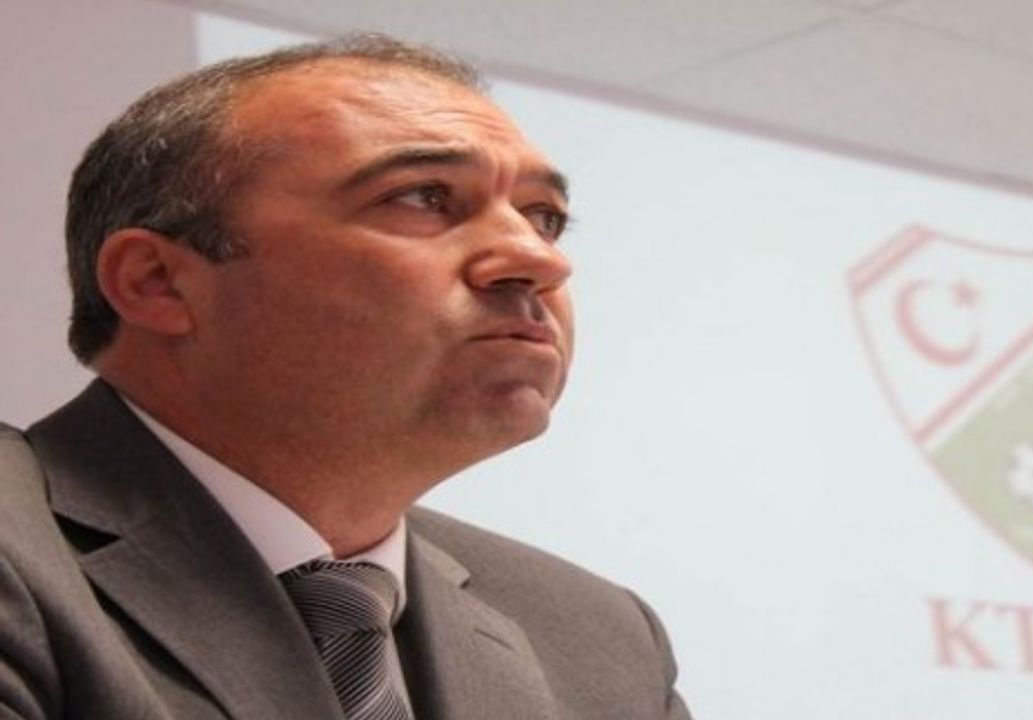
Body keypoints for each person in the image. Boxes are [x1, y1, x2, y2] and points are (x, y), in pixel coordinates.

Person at [0, 33, 691, 719]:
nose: (539, 260)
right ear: (158, 282)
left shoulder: (601, 639)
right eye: (424, 197)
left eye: (545, 218)